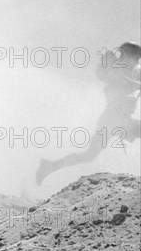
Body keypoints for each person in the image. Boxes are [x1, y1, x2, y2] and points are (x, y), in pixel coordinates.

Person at [36, 42, 141, 185]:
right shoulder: (118, 72)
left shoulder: (132, 72)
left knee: (88, 156)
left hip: (114, 121)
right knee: (88, 156)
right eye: (136, 57)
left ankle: (51, 166)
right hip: (114, 121)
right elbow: (113, 79)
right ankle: (50, 166)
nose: (137, 60)